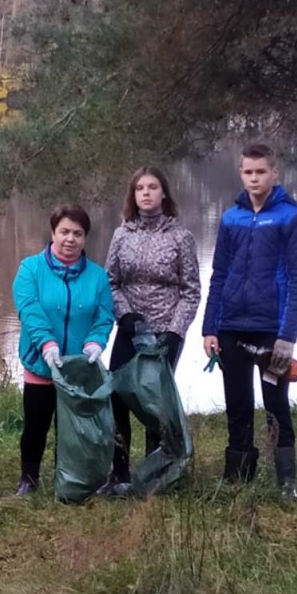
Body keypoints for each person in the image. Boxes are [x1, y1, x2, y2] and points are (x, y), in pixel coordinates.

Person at [201, 141, 297, 498]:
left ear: (274, 173)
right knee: (237, 404)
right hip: (231, 329)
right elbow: (219, 274)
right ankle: (238, 479)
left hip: (271, 333)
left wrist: (287, 336)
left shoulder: (291, 218)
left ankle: (287, 482)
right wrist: (210, 328)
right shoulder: (230, 218)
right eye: (248, 172)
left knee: (275, 403)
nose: (254, 178)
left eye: (260, 171)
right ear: (240, 174)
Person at [104, 166, 201, 491]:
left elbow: (191, 291)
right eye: (140, 188)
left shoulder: (180, 237)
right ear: (133, 196)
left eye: (152, 187)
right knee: (117, 395)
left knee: (156, 404)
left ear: (164, 194)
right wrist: (125, 315)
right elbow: (110, 281)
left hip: (165, 332)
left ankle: (155, 476)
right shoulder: (121, 235)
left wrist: (176, 331)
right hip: (131, 329)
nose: (146, 193)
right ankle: (119, 472)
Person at [12, 204, 115, 497]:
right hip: (41, 363)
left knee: (72, 429)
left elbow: (104, 315)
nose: (70, 239)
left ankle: (68, 476)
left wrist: (96, 341)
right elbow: (29, 309)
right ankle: (29, 479)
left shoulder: (97, 276)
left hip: (78, 368)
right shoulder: (30, 269)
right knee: (36, 424)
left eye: (77, 234)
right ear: (53, 233)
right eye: (64, 232)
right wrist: (46, 343)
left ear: (85, 238)